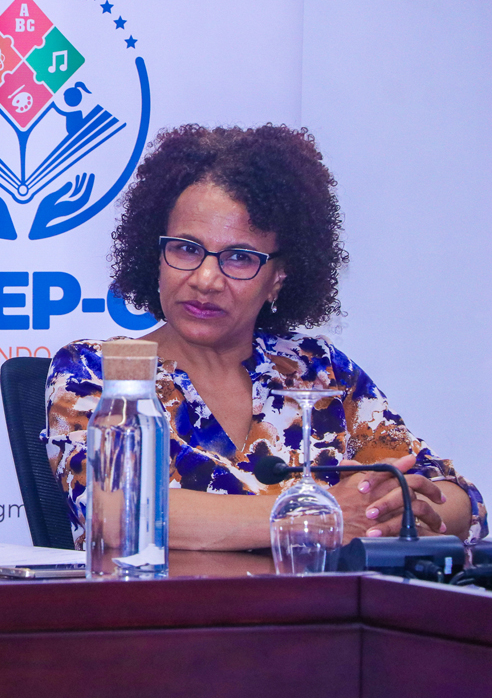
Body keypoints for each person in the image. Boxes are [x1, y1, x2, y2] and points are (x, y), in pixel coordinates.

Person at [45, 124, 487, 551]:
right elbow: (117, 513)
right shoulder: (97, 370)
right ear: (155, 256)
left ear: (279, 276)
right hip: (164, 603)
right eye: (186, 248)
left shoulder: (316, 369)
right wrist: (323, 515)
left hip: (318, 603)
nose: (205, 279)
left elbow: (457, 501)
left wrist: (389, 510)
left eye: (240, 257)